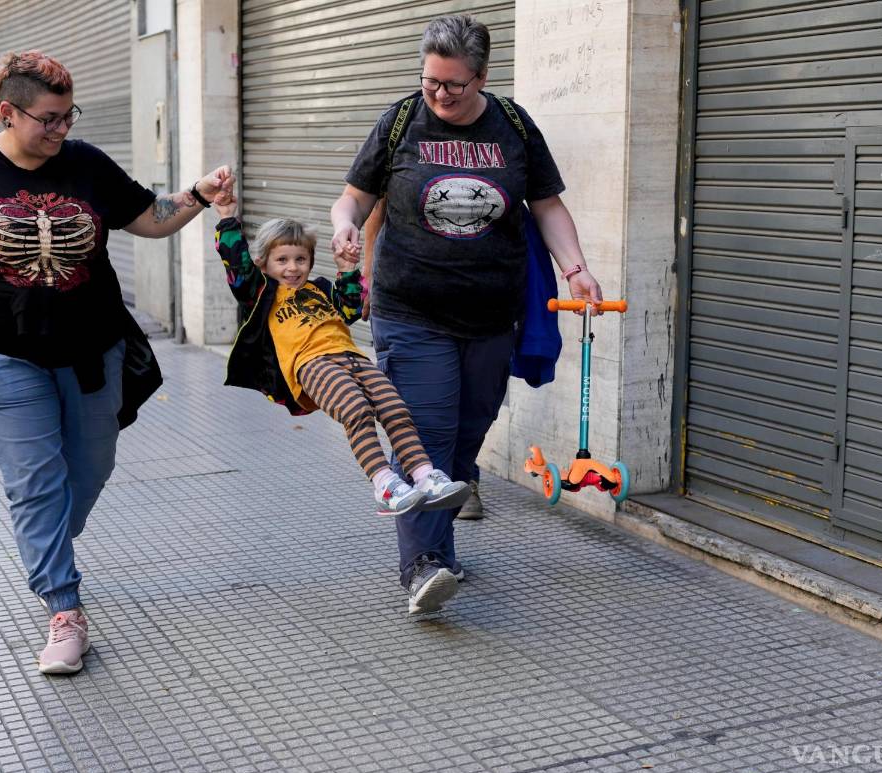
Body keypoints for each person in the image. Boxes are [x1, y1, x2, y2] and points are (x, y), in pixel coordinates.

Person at [0, 51, 234, 675]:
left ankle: (44, 546)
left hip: (92, 346)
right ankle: (64, 609)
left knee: (90, 468)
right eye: (48, 119)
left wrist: (198, 195)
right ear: (6, 112)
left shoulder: (87, 163)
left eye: (69, 116)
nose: (61, 129)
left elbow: (147, 218)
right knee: (34, 481)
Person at [330, 15, 602, 613]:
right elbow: (354, 196)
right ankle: (423, 564)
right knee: (425, 433)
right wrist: (345, 226)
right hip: (410, 310)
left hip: (492, 313)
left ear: (481, 76)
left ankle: (441, 546)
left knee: (467, 434)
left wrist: (577, 268)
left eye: (453, 84)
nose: (440, 94)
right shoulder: (401, 119)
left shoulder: (513, 125)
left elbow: (548, 205)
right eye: (431, 81)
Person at [212, 208, 471, 544]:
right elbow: (236, 263)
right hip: (311, 365)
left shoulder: (319, 289)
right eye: (283, 260)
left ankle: (425, 477)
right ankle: (385, 485)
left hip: (352, 357)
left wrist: (348, 269)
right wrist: (227, 217)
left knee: (395, 408)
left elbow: (350, 310)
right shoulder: (262, 293)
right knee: (356, 410)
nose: (293, 268)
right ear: (263, 263)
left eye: (301, 259)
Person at [363, 200, 487, 522]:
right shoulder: (398, 149)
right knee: (423, 419)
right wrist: (368, 277)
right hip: (410, 310)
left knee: (469, 414)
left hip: (481, 305)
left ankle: (464, 477)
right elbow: (374, 213)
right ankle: (424, 555)